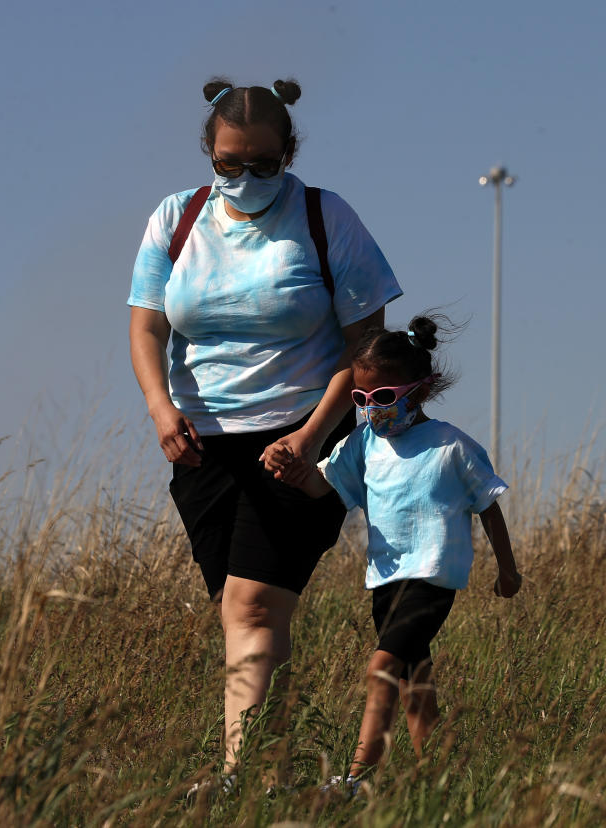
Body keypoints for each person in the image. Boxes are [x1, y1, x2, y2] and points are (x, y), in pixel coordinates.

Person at [127, 76, 402, 776]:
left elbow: (366, 342)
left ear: (289, 151)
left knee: (250, 607)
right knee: (242, 613)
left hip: (302, 439)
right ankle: (273, 772)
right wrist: (162, 411)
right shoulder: (176, 217)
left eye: (263, 164)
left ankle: (240, 780)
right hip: (201, 449)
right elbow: (146, 324)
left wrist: (312, 439)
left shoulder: (324, 216)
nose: (246, 177)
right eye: (229, 164)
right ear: (208, 153)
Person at [265, 315, 522, 788]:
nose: (371, 409)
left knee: (381, 668)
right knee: (413, 682)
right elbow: (321, 484)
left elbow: (489, 507)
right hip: (385, 579)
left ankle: (359, 778)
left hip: (432, 577)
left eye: (383, 397)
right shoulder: (363, 444)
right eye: (361, 400)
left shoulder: (451, 446)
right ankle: (440, 780)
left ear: (420, 391)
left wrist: (508, 570)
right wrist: (290, 466)